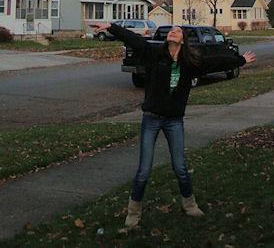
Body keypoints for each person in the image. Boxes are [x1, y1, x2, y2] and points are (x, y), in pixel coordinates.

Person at [90, 22, 255, 228]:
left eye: (177, 31)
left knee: (180, 168)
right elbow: (133, 39)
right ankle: (133, 212)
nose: (173, 32)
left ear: (183, 40)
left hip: (174, 121)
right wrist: (111, 27)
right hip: (151, 118)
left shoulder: (190, 63)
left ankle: (190, 205)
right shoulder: (154, 54)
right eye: (171, 31)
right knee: (143, 170)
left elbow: (216, 62)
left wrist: (240, 60)